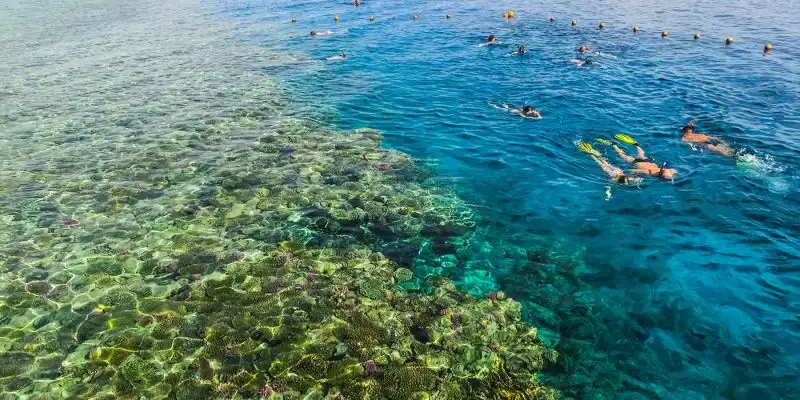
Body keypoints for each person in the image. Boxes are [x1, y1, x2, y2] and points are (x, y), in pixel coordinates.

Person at [609, 140, 677, 180]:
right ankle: (636, 145)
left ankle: (614, 145)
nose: (664, 170)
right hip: (647, 161)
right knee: (640, 155)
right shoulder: (670, 170)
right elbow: (674, 171)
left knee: (623, 155)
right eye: (666, 170)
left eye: (664, 171)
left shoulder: (649, 172)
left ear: (660, 175)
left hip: (638, 162)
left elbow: (635, 170)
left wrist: (628, 174)